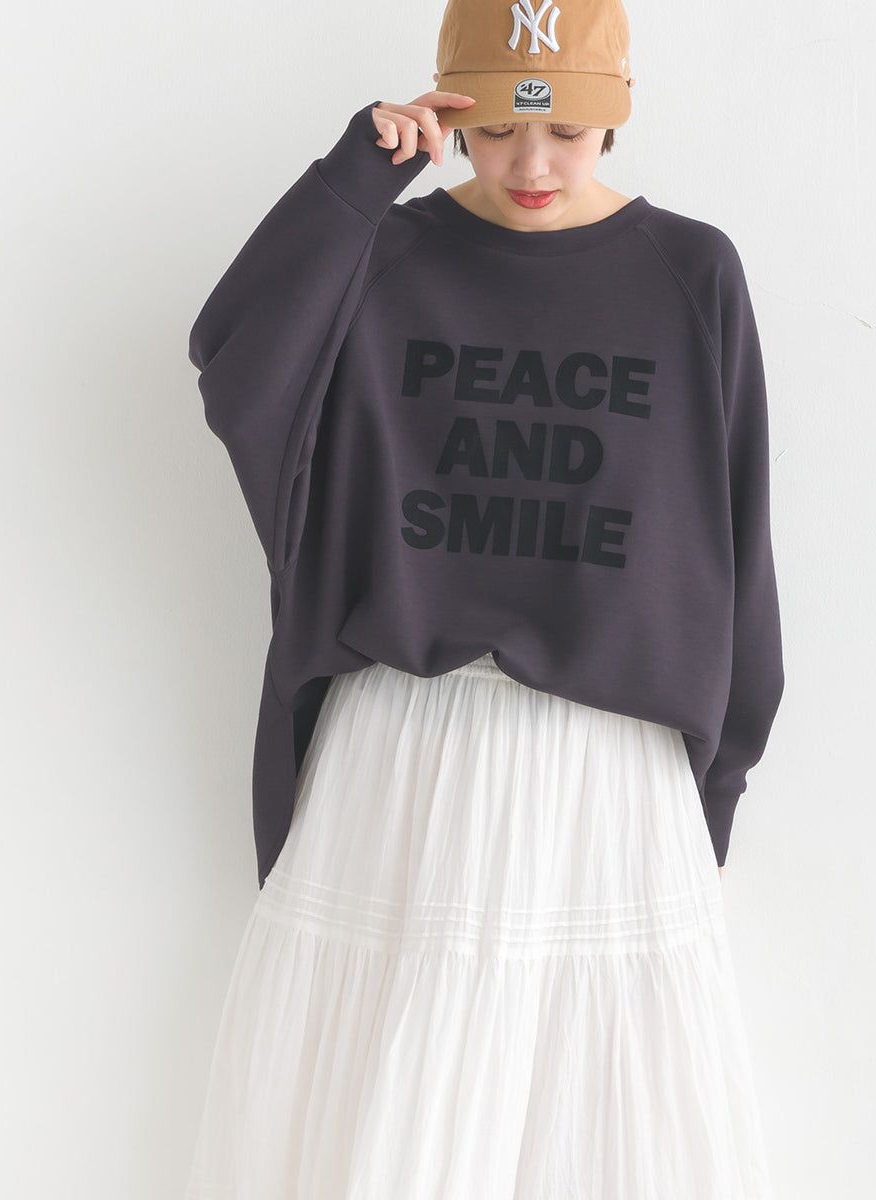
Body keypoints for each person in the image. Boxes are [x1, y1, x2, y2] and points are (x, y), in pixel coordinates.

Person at [183, 1, 783, 1196]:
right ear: (451, 116)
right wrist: (357, 182)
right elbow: (237, 363)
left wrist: (720, 777)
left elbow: (734, 526)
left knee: (593, 1120)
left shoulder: (690, 272)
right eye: (500, 129)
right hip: (409, 739)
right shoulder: (384, 254)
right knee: (390, 1107)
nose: (532, 163)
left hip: (608, 764)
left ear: (615, 116)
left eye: (566, 127)